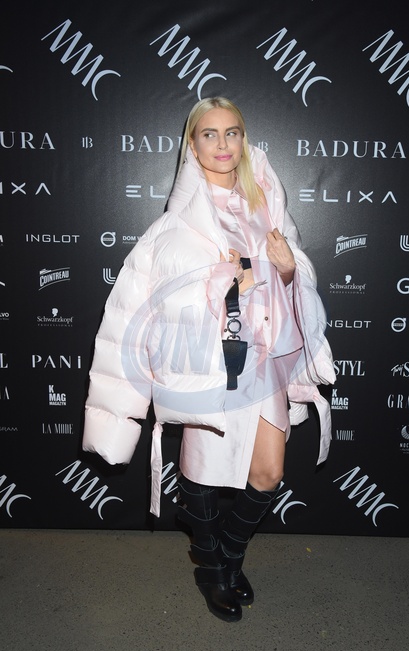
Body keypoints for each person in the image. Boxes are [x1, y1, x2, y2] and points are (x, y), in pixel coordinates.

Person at [82, 97, 335, 622]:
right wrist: (228, 282)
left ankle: (225, 555)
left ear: (244, 140)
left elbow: (296, 279)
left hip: (265, 358)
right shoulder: (174, 227)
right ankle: (211, 564)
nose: (223, 145)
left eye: (232, 133)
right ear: (192, 147)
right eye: (209, 134)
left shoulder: (267, 206)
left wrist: (288, 270)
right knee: (200, 466)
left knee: (268, 472)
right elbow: (137, 312)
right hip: (208, 364)